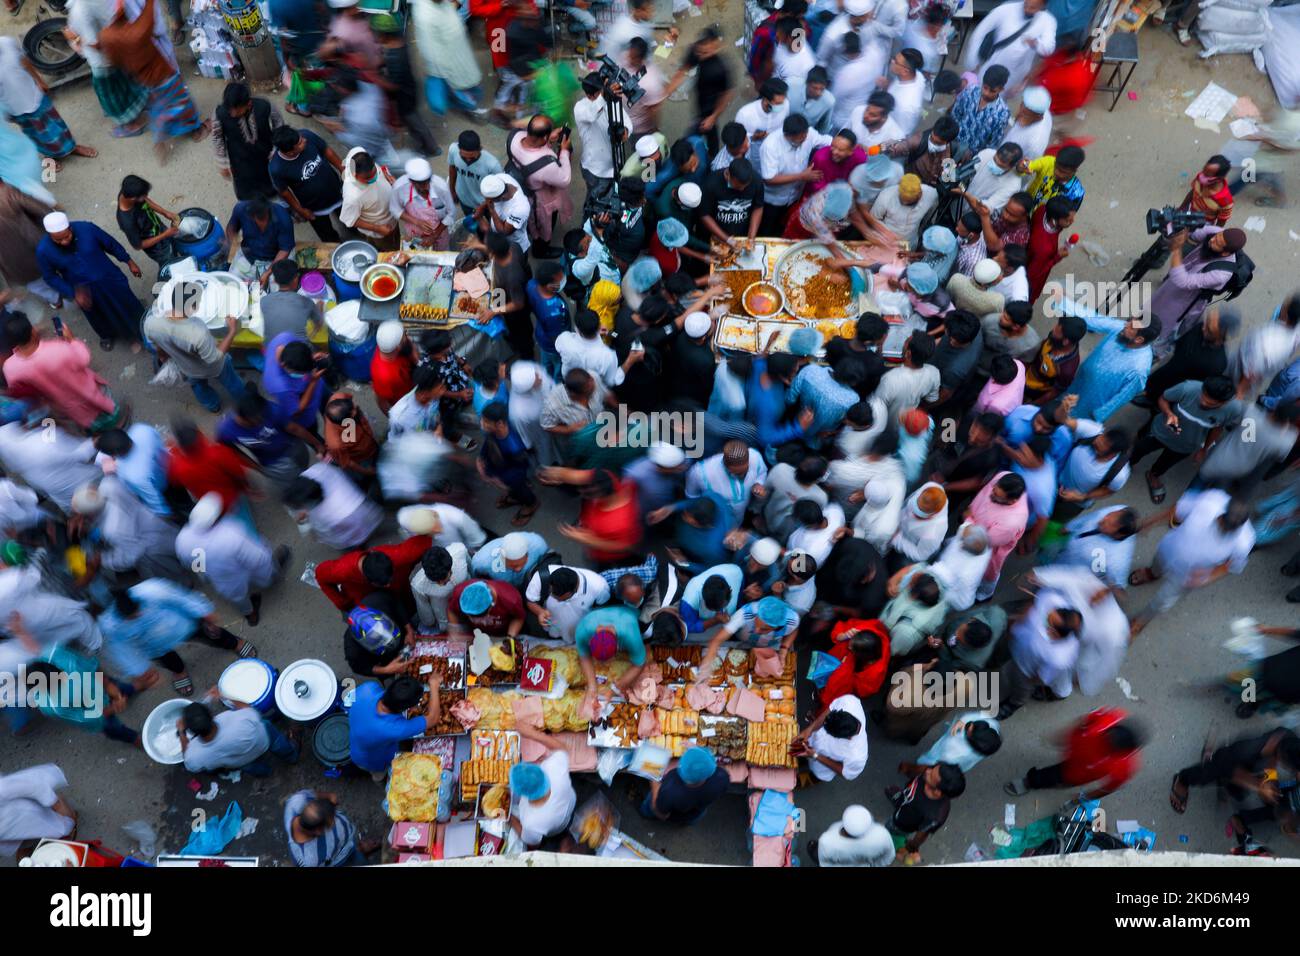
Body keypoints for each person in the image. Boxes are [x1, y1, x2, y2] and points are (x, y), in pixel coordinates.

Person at [95, 0, 208, 163]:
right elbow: (151, 14)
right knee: (182, 103)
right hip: (163, 75)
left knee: (158, 108)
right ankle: (197, 131)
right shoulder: (138, 32)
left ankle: (160, 136)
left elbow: (108, 55)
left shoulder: (106, 36)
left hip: (144, 80)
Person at [35, 213, 145, 350]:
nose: (64, 241)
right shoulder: (43, 251)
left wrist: (129, 261)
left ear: (70, 228)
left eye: (66, 236)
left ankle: (143, 327)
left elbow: (111, 244)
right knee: (98, 315)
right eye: (58, 240)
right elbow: (50, 276)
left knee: (128, 303)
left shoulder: (87, 229)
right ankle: (107, 335)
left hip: (109, 278)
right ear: (50, 235)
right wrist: (73, 292)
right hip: (84, 290)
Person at [175, 493, 290, 625]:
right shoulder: (231, 532)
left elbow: (194, 564)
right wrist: (268, 562)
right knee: (264, 573)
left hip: (222, 578)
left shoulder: (182, 538)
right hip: (243, 568)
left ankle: (251, 616)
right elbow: (257, 559)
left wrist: (207, 573)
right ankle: (271, 580)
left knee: (238, 597)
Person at [1149, 225, 1248, 361]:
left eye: (1218, 243)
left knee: (1165, 329)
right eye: (1216, 236)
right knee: (1153, 307)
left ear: (1226, 253)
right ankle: (1138, 329)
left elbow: (1183, 281)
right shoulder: (1218, 233)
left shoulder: (1221, 274)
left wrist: (1177, 249)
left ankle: (1154, 354)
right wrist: (1179, 228)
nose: (1212, 240)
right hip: (1172, 285)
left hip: (1185, 302)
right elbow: (1195, 234)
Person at [144, 285, 245, 413]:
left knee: (198, 385)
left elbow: (155, 344)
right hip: (214, 367)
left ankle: (213, 406)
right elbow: (214, 358)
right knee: (231, 381)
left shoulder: (151, 323)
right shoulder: (198, 333)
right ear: (193, 307)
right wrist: (232, 331)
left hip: (186, 368)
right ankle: (245, 402)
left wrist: (162, 356)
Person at [1005, 708, 1143, 797]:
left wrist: (1086, 797)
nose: (1107, 737)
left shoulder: (1124, 768)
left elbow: (1108, 788)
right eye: (1110, 734)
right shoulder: (1113, 718)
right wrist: (1063, 735)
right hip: (1073, 745)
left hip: (1074, 773)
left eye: (1111, 743)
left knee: (1051, 777)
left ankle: (1030, 782)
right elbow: (1085, 720)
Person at [0, 36, 97, 164]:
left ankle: (72, 147)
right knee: (35, 134)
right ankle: (49, 156)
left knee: (57, 124)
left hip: (36, 95)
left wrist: (39, 80)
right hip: (15, 110)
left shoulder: (7, 42)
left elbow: (24, 60)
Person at [178, 694, 298, 776]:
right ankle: (291, 756)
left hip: (242, 761)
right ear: (211, 714)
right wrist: (223, 695)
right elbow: (252, 712)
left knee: (252, 767)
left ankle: (266, 772)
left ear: (191, 732)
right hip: (264, 740)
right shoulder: (239, 720)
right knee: (274, 737)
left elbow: (190, 764)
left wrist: (181, 733)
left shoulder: (194, 755)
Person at [505, 114, 574, 257]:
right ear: (543, 138)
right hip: (540, 199)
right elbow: (565, 179)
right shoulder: (546, 164)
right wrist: (565, 151)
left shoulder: (514, 137)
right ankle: (541, 250)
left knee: (531, 224)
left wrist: (547, 138)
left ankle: (534, 237)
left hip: (520, 188)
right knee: (543, 226)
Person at [348, 675, 443, 777]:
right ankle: (381, 781)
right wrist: (434, 685)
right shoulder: (394, 728)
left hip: (357, 735)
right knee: (380, 774)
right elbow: (433, 719)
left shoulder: (368, 687)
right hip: (370, 758)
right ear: (405, 708)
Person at [269, 126, 346, 242]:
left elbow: (326, 150)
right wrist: (300, 210)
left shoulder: (306, 135)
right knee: (327, 235)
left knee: (349, 218)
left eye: (301, 138)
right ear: (290, 152)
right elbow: (284, 191)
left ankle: (353, 230)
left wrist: (343, 170)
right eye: (300, 143)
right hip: (314, 206)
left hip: (337, 191)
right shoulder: (277, 168)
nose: (304, 140)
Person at [962, 0, 1056, 94]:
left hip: (1013, 74)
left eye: (1032, 8)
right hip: (990, 64)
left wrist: (1036, 43)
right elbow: (980, 32)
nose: (1027, 9)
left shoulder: (1048, 21)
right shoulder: (1007, 9)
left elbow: (1049, 49)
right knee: (977, 91)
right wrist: (973, 62)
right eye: (1026, 4)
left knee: (997, 98)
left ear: (1042, 6)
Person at [211, 82, 282, 201]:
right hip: (239, 159)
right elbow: (217, 139)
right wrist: (223, 164)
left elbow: (278, 124)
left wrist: (276, 149)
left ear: (248, 104)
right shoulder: (220, 113)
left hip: (266, 154)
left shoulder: (265, 105)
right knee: (246, 191)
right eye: (230, 110)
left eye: (237, 111)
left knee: (270, 182)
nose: (233, 114)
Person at [886, 763, 965, 864]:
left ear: (937, 792)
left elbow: (922, 834)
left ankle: (892, 850)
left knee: (890, 832)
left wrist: (912, 846)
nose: (928, 771)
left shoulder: (935, 815)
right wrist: (908, 767)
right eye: (933, 768)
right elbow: (922, 769)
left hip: (900, 825)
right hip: (903, 803)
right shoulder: (927, 773)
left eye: (931, 775)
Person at [284, 791, 378, 867]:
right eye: (331, 823)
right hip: (341, 860)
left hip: (346, 842)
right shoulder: (309, 860)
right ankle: (359, 853)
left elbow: (313, 794)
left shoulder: (297, 800)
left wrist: (329, 796)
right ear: (319, 831)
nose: (336, 821)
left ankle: (358, 848)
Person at [640, 746, 728, 824]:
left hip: (672, 813)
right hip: (695, 813)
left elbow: (660, 813)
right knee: (692, 818)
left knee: (649, 807)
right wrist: (697, 753)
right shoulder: (721, 777)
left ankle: (645, 813)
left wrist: (653, 778)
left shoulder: (670, 790)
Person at [509, 751, 577, 847]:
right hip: (570, 805)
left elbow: (531, 841)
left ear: (521, 793)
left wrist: (510, 818)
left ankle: (564, 837)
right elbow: (562, 751)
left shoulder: (531, 822)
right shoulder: (554, 768)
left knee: (560, 835)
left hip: (558, 828)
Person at [340, 149, 399, 252]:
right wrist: (378, 229)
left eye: (375, 173)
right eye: (368, 178)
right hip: (380, 231)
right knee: (390, 252)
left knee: (398, 242)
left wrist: (386, 175)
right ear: (354, 175)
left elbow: (380, 169)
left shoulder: (358, 153)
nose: (374, 178)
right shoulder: (352, 196)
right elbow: (350, 220)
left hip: (393, 217)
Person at [225, 201, 296, 287]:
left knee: (279, 289)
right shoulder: (241, 209)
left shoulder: (282, 217)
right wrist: (230, 239)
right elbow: (231, 228)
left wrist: (268, 273)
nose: (262, 223)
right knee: (231, 283)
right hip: (249, 256)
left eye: (265, 219)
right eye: (257, 219)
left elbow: (284, 250)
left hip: (275, 259)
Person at [951, 64, 1012, 160]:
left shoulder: (1002, 114)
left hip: (972, 156)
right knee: (946, 169)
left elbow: (993, 142)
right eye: (985, 87)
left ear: (1001, 89)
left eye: (992, 91)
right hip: (954, 142)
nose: (986, 93)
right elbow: (956, 114)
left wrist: (978, 158)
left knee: (953, 174)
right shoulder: (970, 91)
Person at [810, 805, 896, 867]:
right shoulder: (882, 835)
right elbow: (889, 857)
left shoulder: (826, 841)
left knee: (812, 848)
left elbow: (825, 863)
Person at [448, 130, 504, 217]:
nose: (468, 160)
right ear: (458, 148)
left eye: (472, 157)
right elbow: (452, 169)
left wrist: (483, 206)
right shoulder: (453, 150)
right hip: (463, 200)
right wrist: (452, 191)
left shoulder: (493, 165)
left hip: (484, 204)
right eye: (464, 157)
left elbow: (499, 191)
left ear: (480, 149)